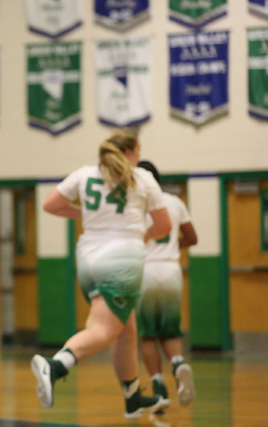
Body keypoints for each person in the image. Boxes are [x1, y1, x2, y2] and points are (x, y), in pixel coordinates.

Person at [30, 128, 173, 418]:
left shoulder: (84, 174)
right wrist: (139, 234)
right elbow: (164, 226)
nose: (140, 156)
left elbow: (51, 204)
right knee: (104, 329)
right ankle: (55, 366)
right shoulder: (142, 178)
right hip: (122, 259)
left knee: (126, 328)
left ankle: (132, 395)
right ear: (130, 152)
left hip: (87, 258)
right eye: (139, 150)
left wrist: (83, 214)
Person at [136, 160, 198, 408]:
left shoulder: (133, 206)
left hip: (145, 272)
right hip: (171, 271)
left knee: (147, 335)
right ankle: (179, 364)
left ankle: (159, 388)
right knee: (170, 331)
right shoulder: (174, 202)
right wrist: (172, 246)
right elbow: (192, 237)